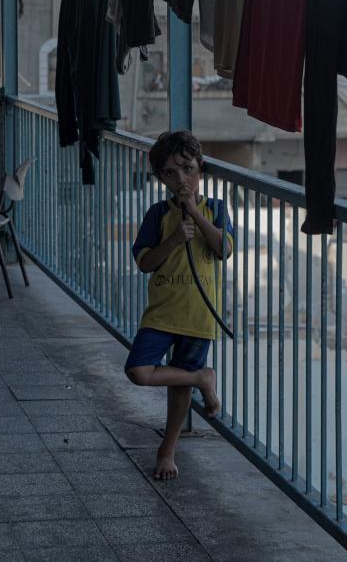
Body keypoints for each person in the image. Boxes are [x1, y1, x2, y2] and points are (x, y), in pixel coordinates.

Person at [125, 131, 233, 481]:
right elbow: (145, 262)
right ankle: (202, 377)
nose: (181, 179)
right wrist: (173, 238)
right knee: (139, 370)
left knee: (178, 389)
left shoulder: (215, 209)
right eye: (171, 173)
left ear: (200, 168)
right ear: (160, 178)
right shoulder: (157, 214)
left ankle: (167, 450)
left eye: (187, 169)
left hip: (198, 314)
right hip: (163, 311)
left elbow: (224, 249)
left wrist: (196, 216)